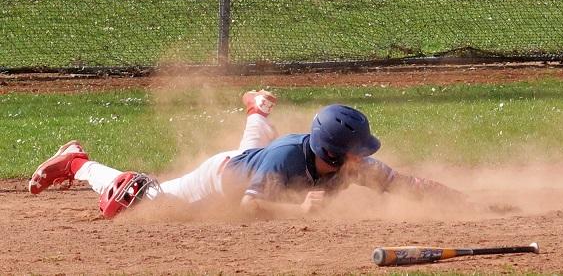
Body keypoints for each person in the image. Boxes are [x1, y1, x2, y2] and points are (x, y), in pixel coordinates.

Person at [29, 90, 466, 219]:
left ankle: (257, 109)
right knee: (134, 200)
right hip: (220, 177)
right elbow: (249, 204)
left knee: (255, 144)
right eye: (357, 153)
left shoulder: (349, 166)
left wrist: (465, 202)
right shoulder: (287, 163)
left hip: (257, 158)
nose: (364, 160)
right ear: (333, 154)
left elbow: (405, 185)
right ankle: (77, 160)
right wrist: (301, 213)